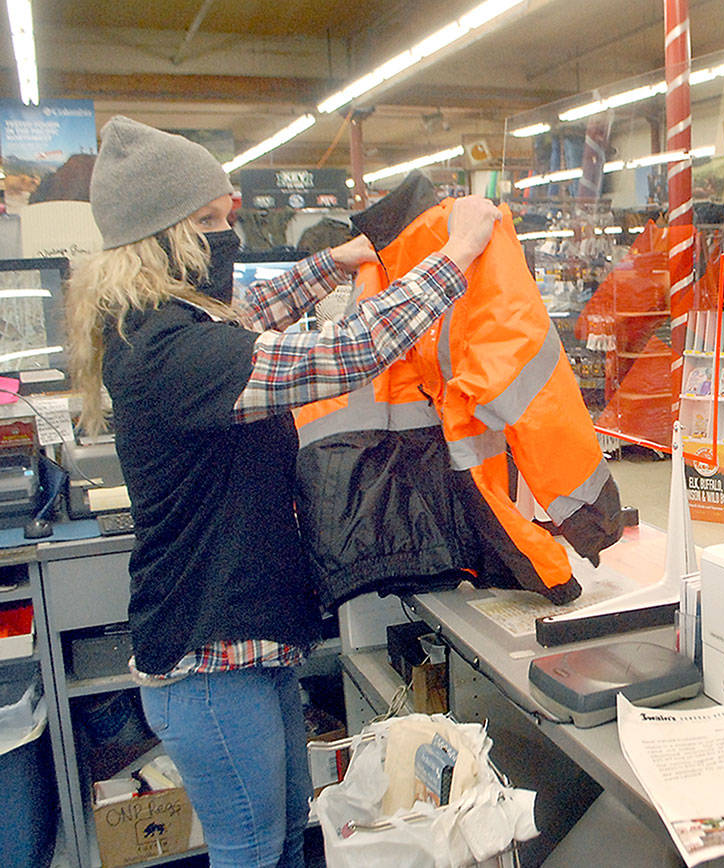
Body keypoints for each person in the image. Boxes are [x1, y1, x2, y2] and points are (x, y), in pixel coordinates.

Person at [66, 116, 501, 868]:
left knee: (289, 832)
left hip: (245, 649)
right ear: (163, 237)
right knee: (254, 852)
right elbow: (345, 353)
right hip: (207, 661)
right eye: (209, 221)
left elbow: (250, 319)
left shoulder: (164, 323)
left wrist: (337, 260)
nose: (226, 232)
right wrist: (458, 254)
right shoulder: (174, 354)